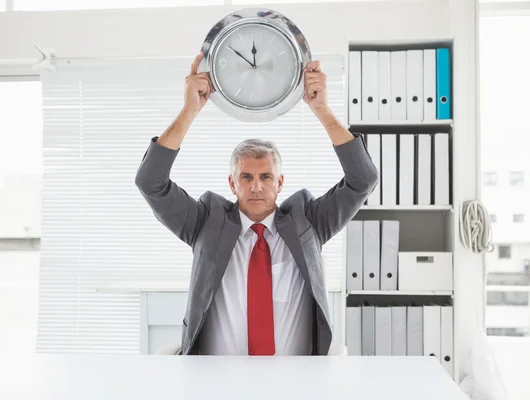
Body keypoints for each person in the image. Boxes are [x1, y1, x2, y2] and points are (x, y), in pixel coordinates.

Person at [135, 51, 378, 356]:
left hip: (295, 379)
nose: (257, 186)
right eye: (246, 177)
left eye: (266, 176)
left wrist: (322, 110)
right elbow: (150, 182)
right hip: (215, 379)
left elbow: (362, 179)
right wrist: (190, 110)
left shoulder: (309, 221)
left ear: (280, 182)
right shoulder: (205, 222)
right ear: (232, 183)